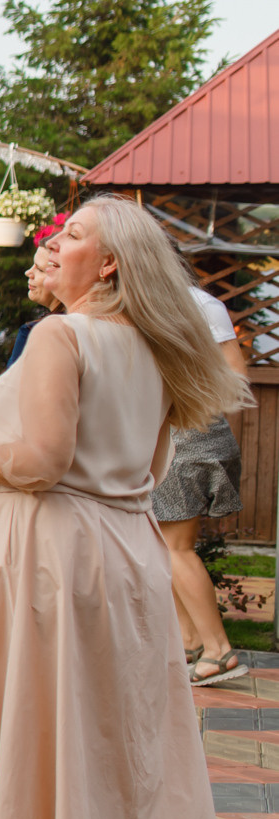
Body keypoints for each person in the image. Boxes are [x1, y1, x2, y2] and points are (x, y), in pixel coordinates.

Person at [0, 196, 241, 819]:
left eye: (72, 234)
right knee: (100, 726)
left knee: (48, 722)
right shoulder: (156, 345)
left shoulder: (61, 334)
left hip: (57, 551)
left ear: (107, 264)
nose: (54, 241)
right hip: (126, 546)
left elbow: (41, 462)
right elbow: (151, 464)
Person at [156, 284, 253, 685]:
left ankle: (219, 650)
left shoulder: (187, 302)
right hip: (188, 437)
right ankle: (190, 642)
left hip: (186, 440)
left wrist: (182, 404)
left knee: (176, 548)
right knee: (165, 548)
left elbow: (236, 376)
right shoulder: (194, 302)